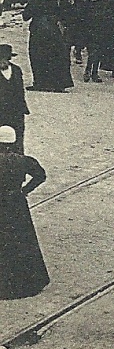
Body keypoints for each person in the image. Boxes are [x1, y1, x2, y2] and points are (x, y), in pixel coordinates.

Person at [0, 124, 48, 300]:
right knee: (20, 242)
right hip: (16, 204)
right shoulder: (23, 160)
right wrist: (25, 191)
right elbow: (41, 175)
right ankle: (24, 283)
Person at [24, 0, 72, 92]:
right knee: (55, 54)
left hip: (38, 29)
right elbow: (61, 12)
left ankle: (40, 83)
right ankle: (58, 84)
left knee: (37, 56)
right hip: (53, 28)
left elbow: (26, 16)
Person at [0, 44, 29, 154]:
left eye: (5, 59)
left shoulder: (16, 70)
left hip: (16, 111)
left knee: (18, 138)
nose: (3, 62)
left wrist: (22, 107)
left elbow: (20, 91)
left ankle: (18, 161)